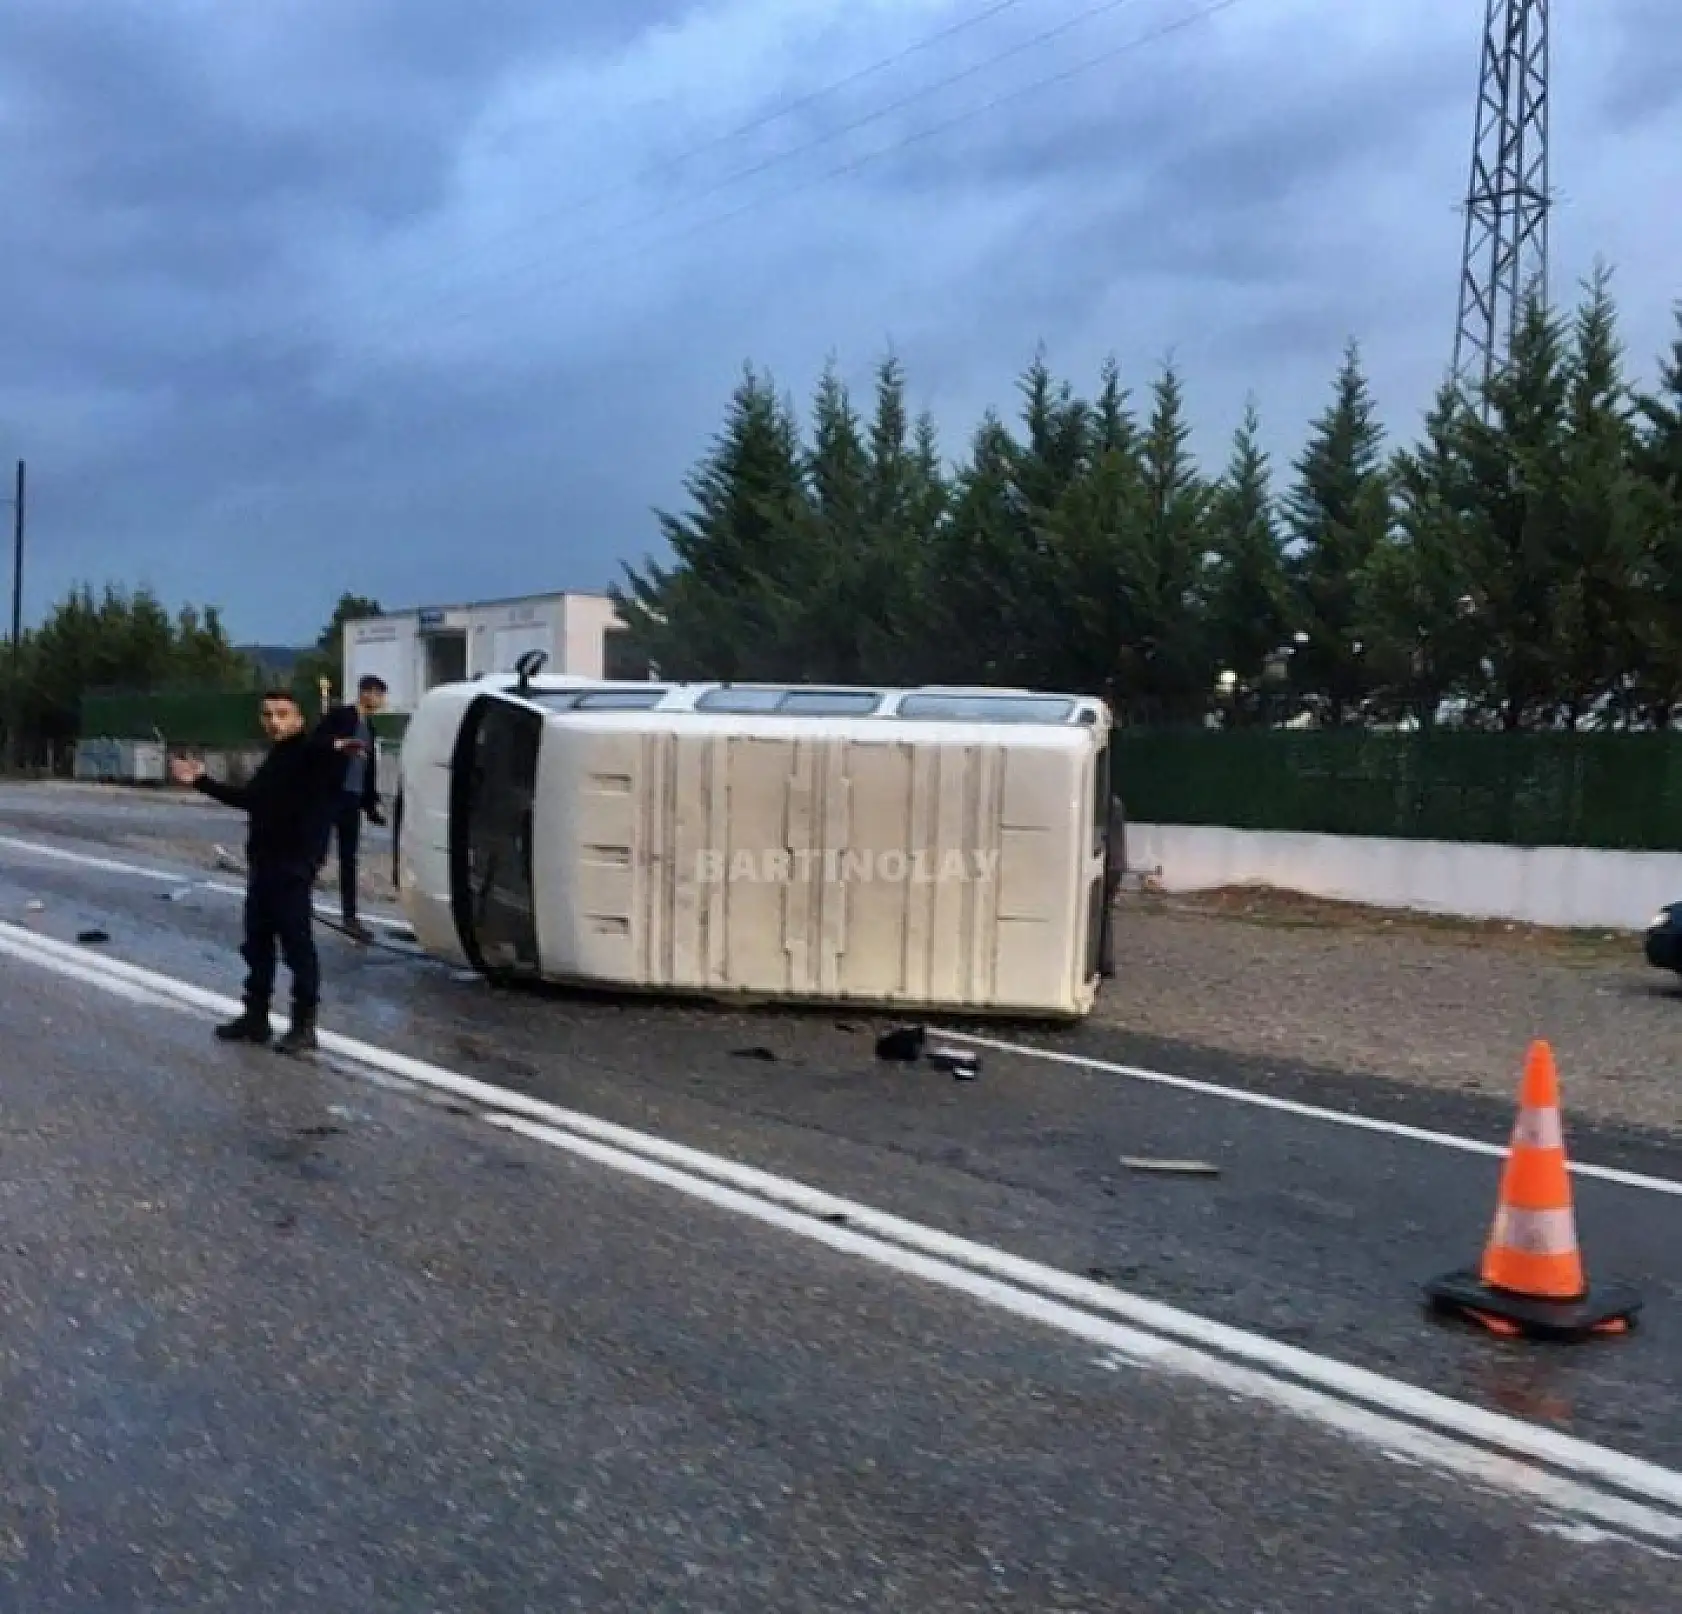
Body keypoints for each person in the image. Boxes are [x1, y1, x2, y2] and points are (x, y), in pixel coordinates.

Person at [169, 689, 365, 1055]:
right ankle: (255, 1017)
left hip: (293, 866)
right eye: (268, 715)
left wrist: (336, 745)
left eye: (282, 714)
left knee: (297, 946)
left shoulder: (310, 754)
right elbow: (250, 800)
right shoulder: (276, 759)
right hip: (264, 863)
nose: (274, 721)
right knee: (257, 944)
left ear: (299, 719)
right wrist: (200, 781)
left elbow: (320, 751)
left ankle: (304, 1025)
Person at [316, 674, 388, 941]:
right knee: (317, 851)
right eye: (379, 695)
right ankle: (294, 902)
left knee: (349, 858)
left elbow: (368, 769)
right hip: (330, 794)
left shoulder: (370, 727)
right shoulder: (342, 716)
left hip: (353, 799)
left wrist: (371, 806)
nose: (381, 701)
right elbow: (317, 743)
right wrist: (339, 745)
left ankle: (350, 917)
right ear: (366, 693)